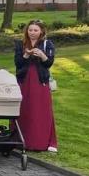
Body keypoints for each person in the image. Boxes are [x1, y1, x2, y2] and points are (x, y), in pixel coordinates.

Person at [14, 20, 58, 152]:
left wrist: (42, 55)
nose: (32, 33)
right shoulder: (20, 44)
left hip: (40, 81)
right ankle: (21, 140)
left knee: (40, 109)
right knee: (24, 108)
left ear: (41, 32)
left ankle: (41, 141)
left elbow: (49, 63)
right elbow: (18, 63)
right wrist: (26, 55)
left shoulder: (47, 44)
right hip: (24, 80)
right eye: (30, 30)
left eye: (35, 30)